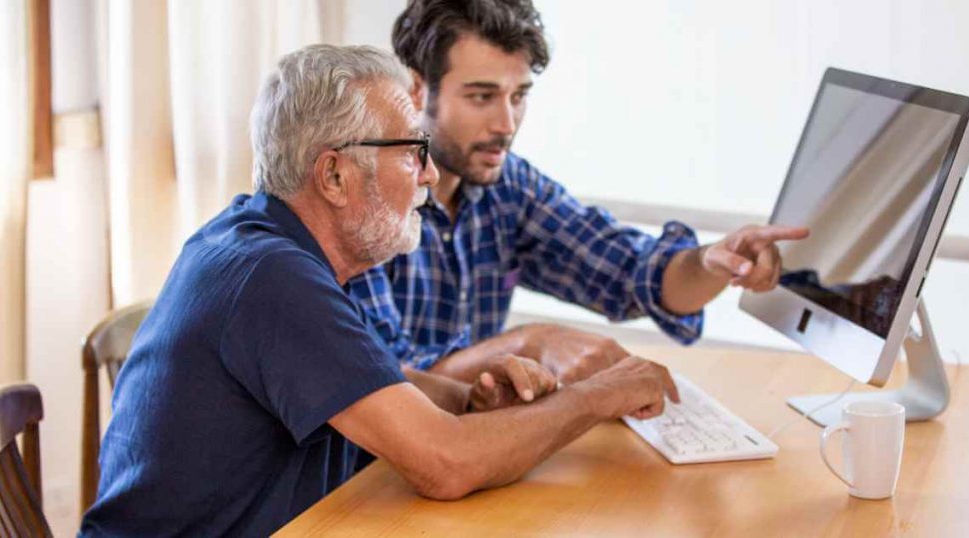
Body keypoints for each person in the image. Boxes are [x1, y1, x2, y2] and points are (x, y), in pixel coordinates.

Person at [79, 44, 679, 537]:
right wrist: (599, 395)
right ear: (335, 174)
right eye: (413, 151)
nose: (431, 175)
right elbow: (446, 464)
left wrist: (467, 399)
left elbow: (361, 385)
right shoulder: (272, 278)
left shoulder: (262, 245)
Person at [346, 0, 809, 384]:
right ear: (415, 89)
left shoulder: (507, 187)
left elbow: (632, 273)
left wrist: (711, 262)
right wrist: (531, 343)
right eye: (482, 97)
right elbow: (388, 381)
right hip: (364, 477)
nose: (506, 125)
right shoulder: (363, 202)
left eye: (519, 95)